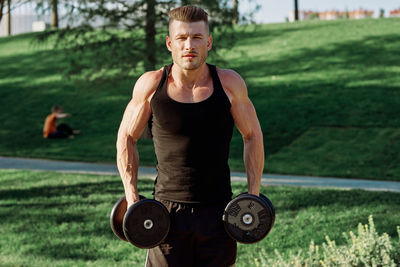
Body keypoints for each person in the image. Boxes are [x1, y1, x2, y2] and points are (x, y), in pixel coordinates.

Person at [116, 5, 264, 267]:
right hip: (167, 215)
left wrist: (253, 195)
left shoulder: (230, 84)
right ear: (169, 43)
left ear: (208, 42)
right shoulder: (151, 85)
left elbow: (252, 135)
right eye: (182, 38)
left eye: (196, 38)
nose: (189, 45)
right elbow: (127, 137)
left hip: (219, 213)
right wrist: (131, 196)